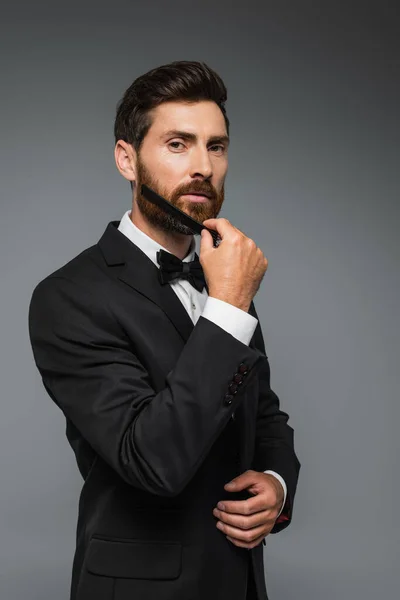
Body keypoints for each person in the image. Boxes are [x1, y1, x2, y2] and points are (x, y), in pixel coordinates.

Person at [28, 60, 300, 600]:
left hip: (241, 582)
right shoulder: (67, 296)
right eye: (178, 144)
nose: (203, 166)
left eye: (216, 147)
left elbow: (263, 413)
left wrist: (277, 483)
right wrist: (228, 305)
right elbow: (151, 460)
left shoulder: (222, 278)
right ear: (127, 159)